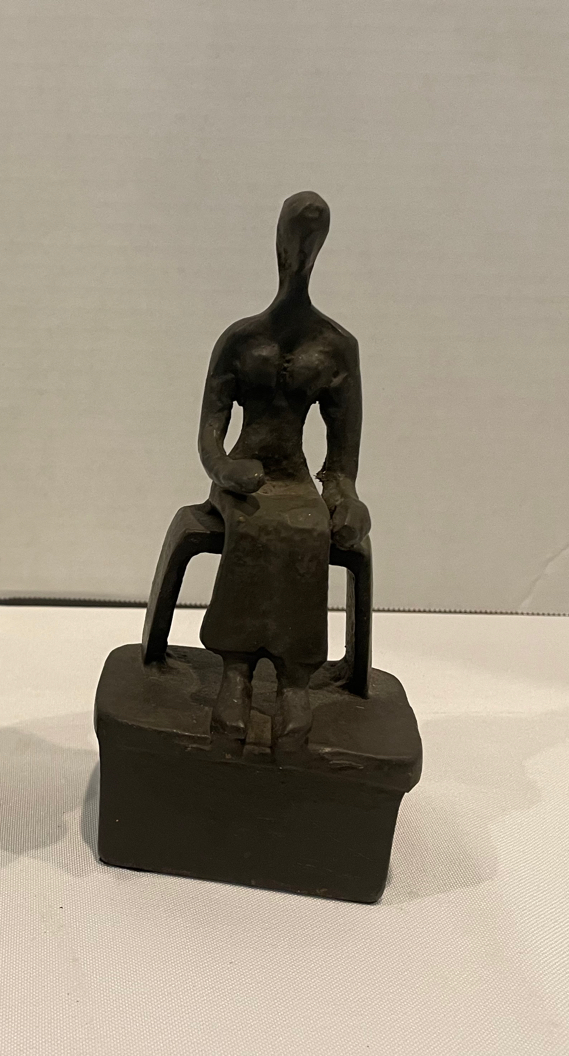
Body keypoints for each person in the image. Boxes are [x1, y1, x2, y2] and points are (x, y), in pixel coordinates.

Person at [197, 191, 370, 761]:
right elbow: (210, 432)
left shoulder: (337, 347)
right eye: (294, 241)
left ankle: (296, 678)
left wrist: (344, 494)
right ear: (279, 246)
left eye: (309, 244)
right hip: (240, 478)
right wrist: (223, 467)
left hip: (294, 480)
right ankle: (236, 670)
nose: (299, 255)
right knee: (255, 522)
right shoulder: (240, 340)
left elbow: (342, 456)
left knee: (306, 527)